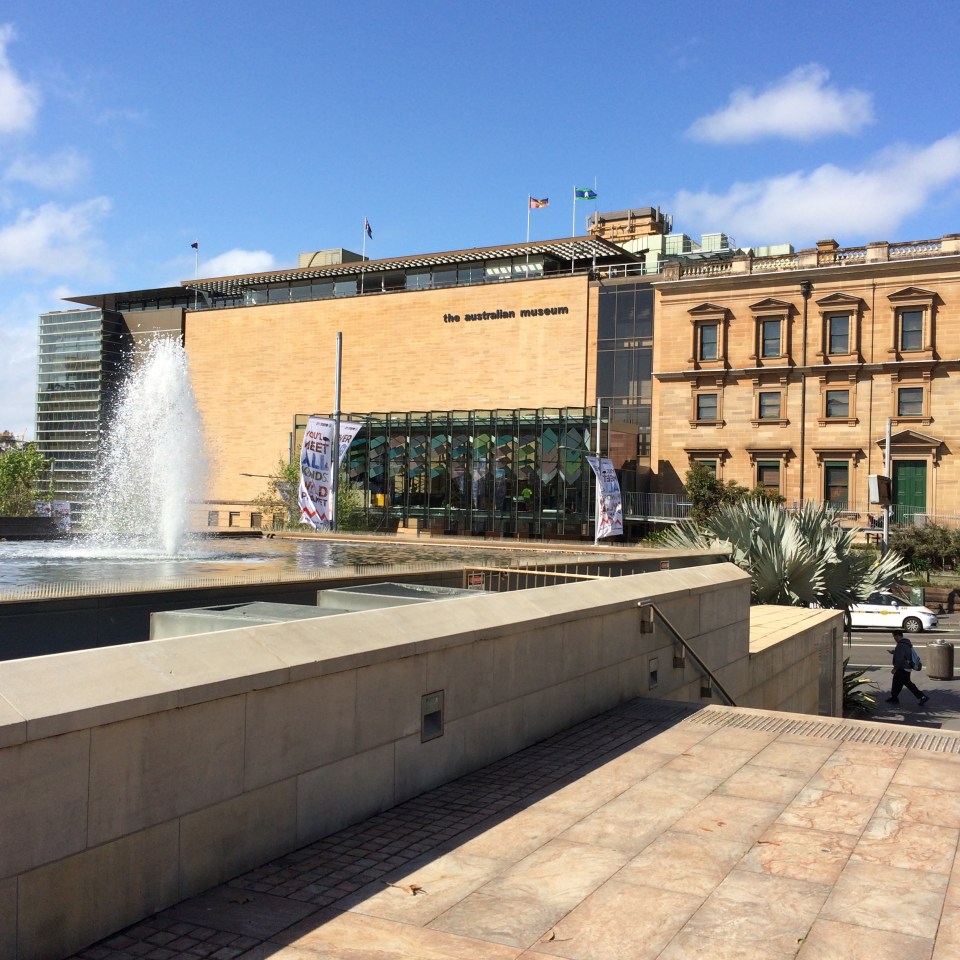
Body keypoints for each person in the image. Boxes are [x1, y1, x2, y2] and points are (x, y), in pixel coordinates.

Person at [886, 630, 929, 706]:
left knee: (908, 684)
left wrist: (895, 668)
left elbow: (900, 659)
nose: (894, 638)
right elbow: (904, 653)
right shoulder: (906, 643)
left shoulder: (901, 645)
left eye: (894, 636)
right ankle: (894, 697)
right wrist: (894, 652)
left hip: (903, 667)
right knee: (896, 682)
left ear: (897, 636)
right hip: (905, 667)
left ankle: (922, 696)